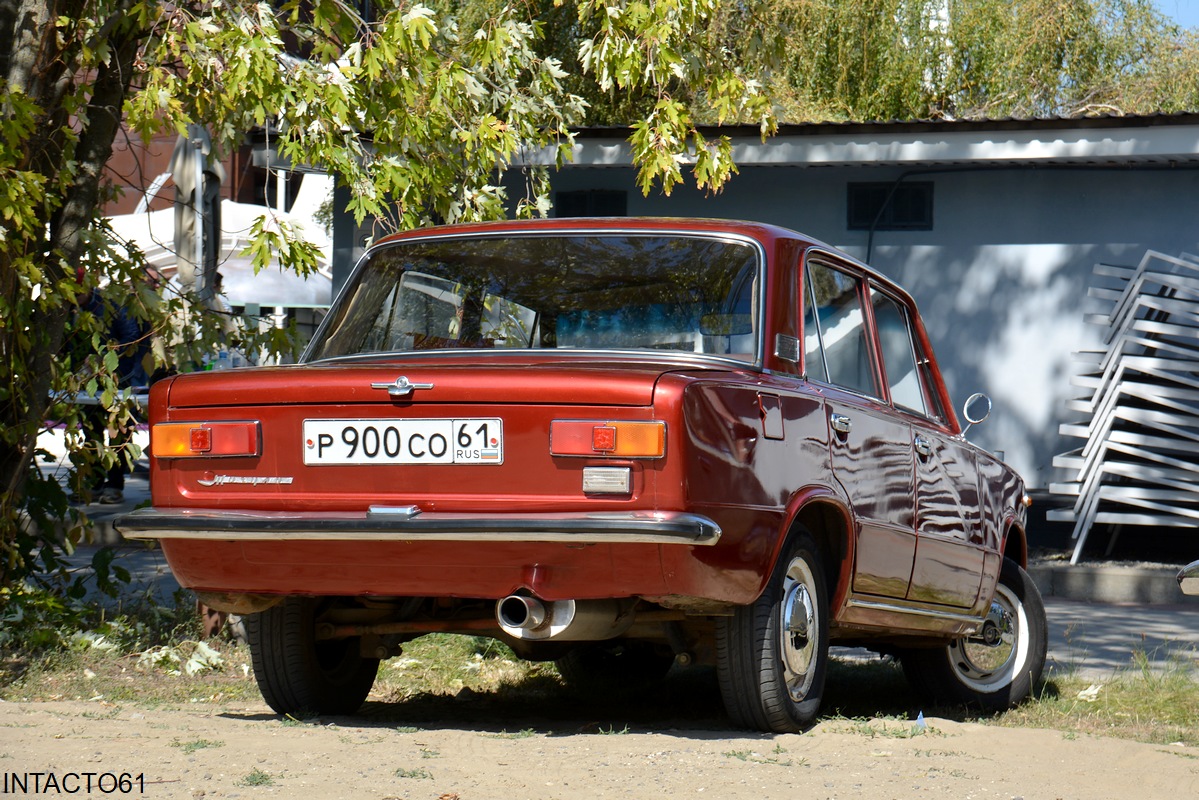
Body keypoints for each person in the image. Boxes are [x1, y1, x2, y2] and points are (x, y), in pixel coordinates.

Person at [71, 279, 153, 505]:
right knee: (91, 431)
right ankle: (95, 484)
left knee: (117, 430)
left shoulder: (111, 304)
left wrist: (107, 356)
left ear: (86, 289)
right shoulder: (72, 309)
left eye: (77, 294)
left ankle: (115, 485)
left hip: (121, 376)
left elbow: (133, 336)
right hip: (89, 378)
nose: (74, 300)